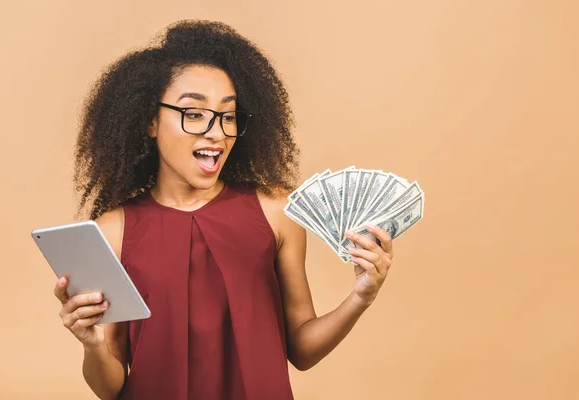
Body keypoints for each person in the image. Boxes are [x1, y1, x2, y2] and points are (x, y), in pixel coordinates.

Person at [53, 20, 395, 400]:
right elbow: (111, 386)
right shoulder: (113, 231)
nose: (216, 132)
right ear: (150, 121)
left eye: (228, 116)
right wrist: (93, 345)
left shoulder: (276, 212)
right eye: (194, 113)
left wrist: (361, 297)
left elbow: (301, 348)